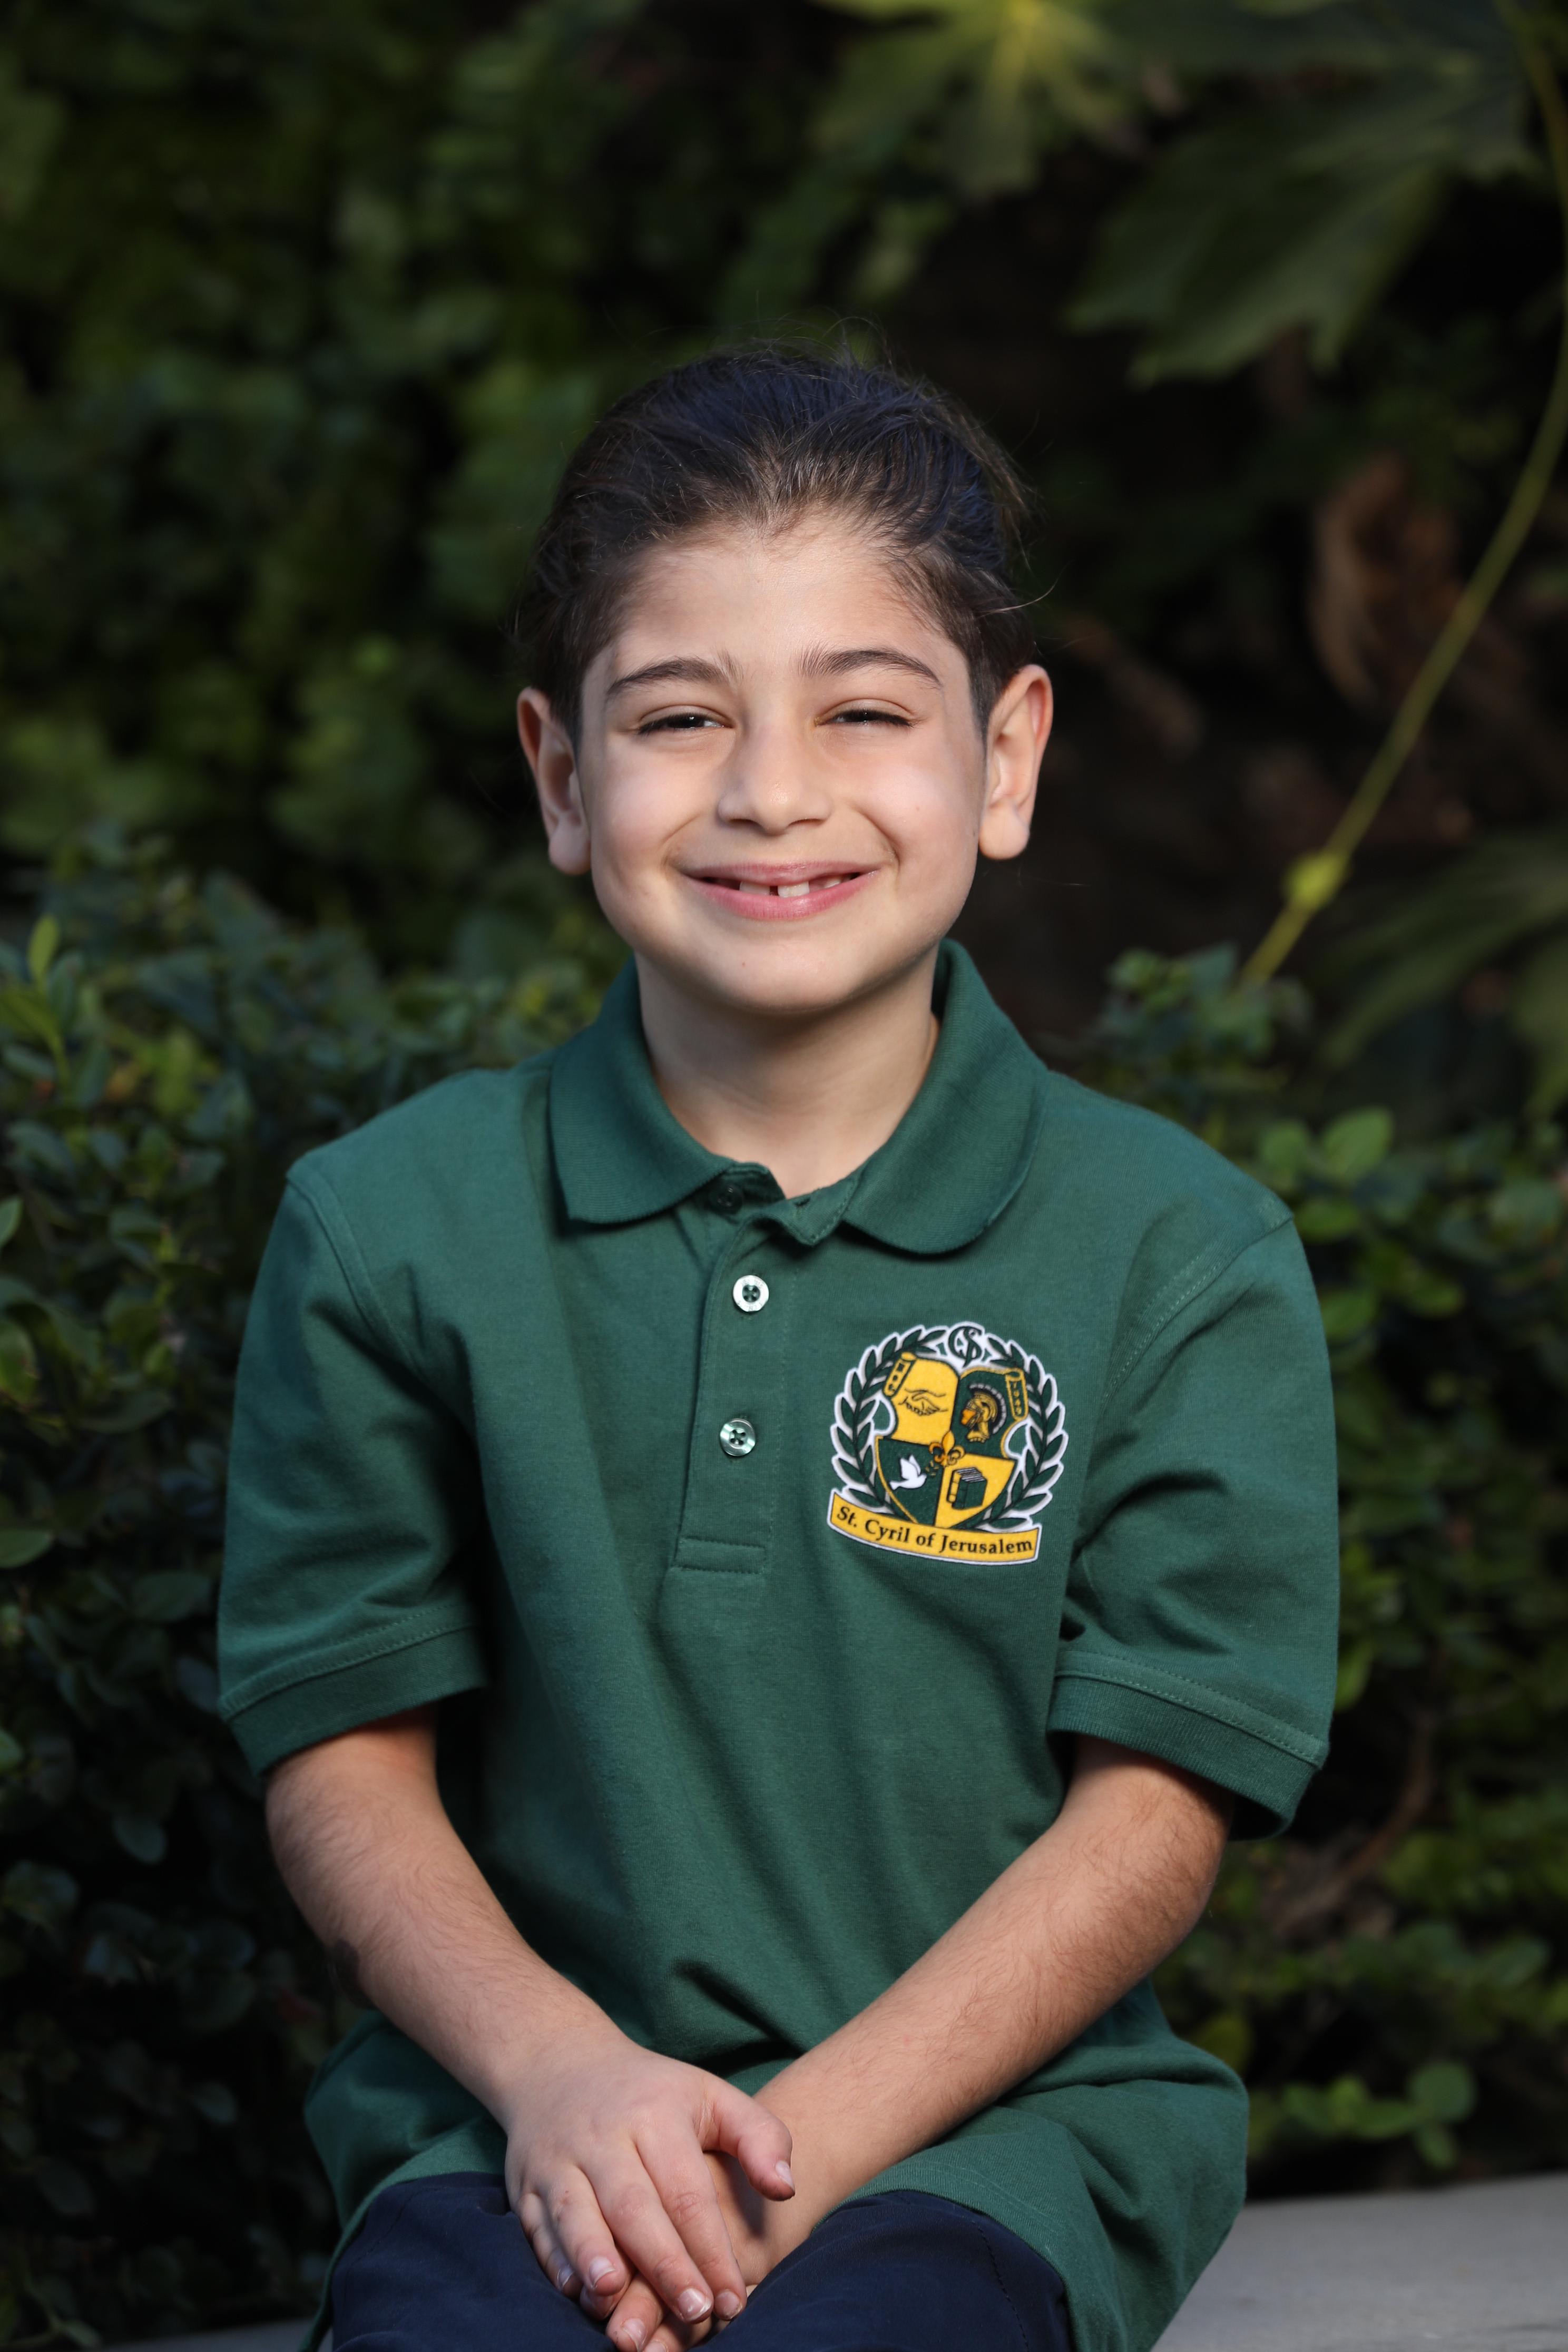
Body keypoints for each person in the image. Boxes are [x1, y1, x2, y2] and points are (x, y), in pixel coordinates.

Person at [217, 346, 1339, 2352]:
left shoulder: (1180, 1253)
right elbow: (343, 1754)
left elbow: (1151, 1814)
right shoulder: (392, 1228)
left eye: (865, 710)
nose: (771, 791)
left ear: (1007, 758)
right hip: (512, 2134)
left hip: (984, 2149)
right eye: (680, 716)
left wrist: (791, 2156)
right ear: (564, 776)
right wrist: (564, 2083)